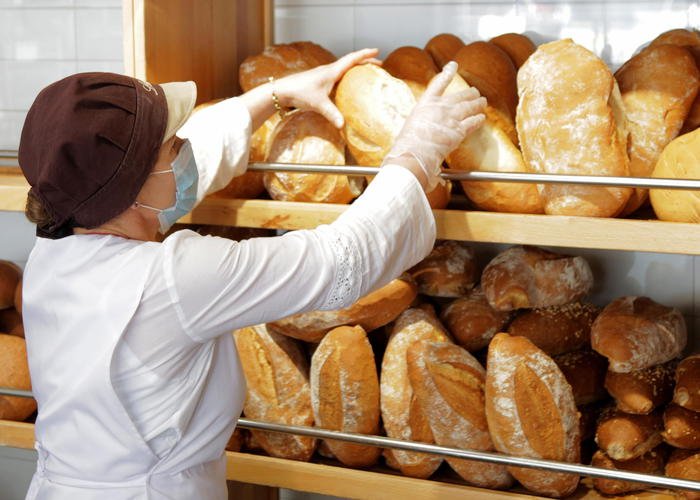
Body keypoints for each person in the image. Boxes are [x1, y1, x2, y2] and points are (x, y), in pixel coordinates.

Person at [17, 48, 486, 499]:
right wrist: (415, 152)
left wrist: (277, 96)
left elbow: (191, 161)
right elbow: (342, 259)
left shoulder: (58, 243)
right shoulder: (173, 280)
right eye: (171, 147)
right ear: (131, 186)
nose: (184, 151)